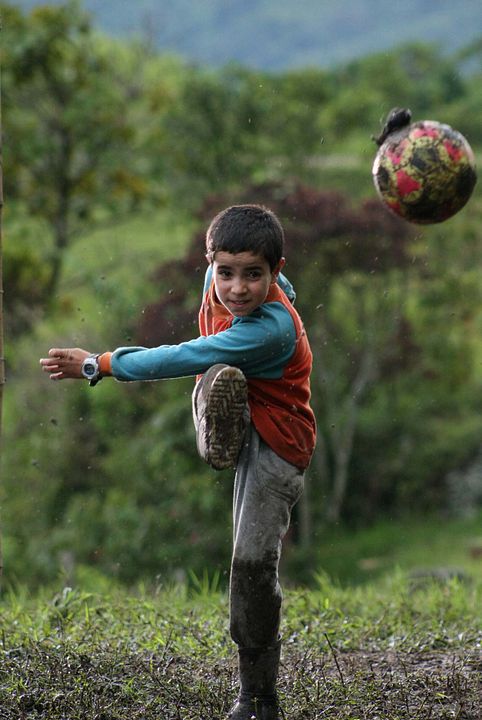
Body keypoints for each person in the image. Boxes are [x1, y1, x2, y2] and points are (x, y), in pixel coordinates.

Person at [40, 204, 316, 720]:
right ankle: (216, 413)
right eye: (225, 272)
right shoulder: (225, 283)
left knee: (251, 566)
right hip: (242, 408)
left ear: (276, 272)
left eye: (254, 276)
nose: (236, 289)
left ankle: (259, 696)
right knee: (218, 375)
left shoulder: (267, 330)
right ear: (210, 262)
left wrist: (96, 364)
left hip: (279, 443)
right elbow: (229, 285)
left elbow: (175, 356)